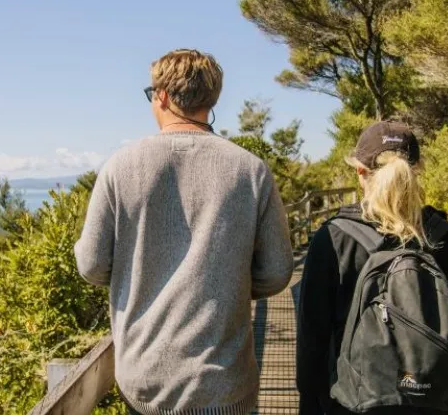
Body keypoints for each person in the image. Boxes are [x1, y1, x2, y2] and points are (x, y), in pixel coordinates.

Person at [74, 48, 294, 415]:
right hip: (224, 383)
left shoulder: (120, 167)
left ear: (161, 95)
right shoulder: (250, 170)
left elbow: (92, 265)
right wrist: (228, 282)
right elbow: (277, 270)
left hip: (145, 383)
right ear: (212, 99)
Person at [296, 121, 448, 415]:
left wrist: (310, 403)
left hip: (352, 404)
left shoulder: (334, 239)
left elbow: (312, 341)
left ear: (360, 172)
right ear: (416, 170)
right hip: (436, 403)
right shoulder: (447, 240)